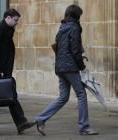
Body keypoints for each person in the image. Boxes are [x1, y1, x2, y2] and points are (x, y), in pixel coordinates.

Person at [33, 5, 99, 136]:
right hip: (70, 67)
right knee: (81, 95)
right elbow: (75, 50)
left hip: (60, 67)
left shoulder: (62, 28)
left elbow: (59, 46)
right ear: (76, 15)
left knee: (63, 97)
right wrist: (82, 67)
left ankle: (40, 119)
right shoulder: (75, 28)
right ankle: (84, 126)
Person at [0, 9, 35, 134]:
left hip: (1, 71)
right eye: (15, 20)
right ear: (7, 18)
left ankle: (21, 122)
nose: (17, 23)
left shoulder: (7, 31)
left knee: (11, 96)